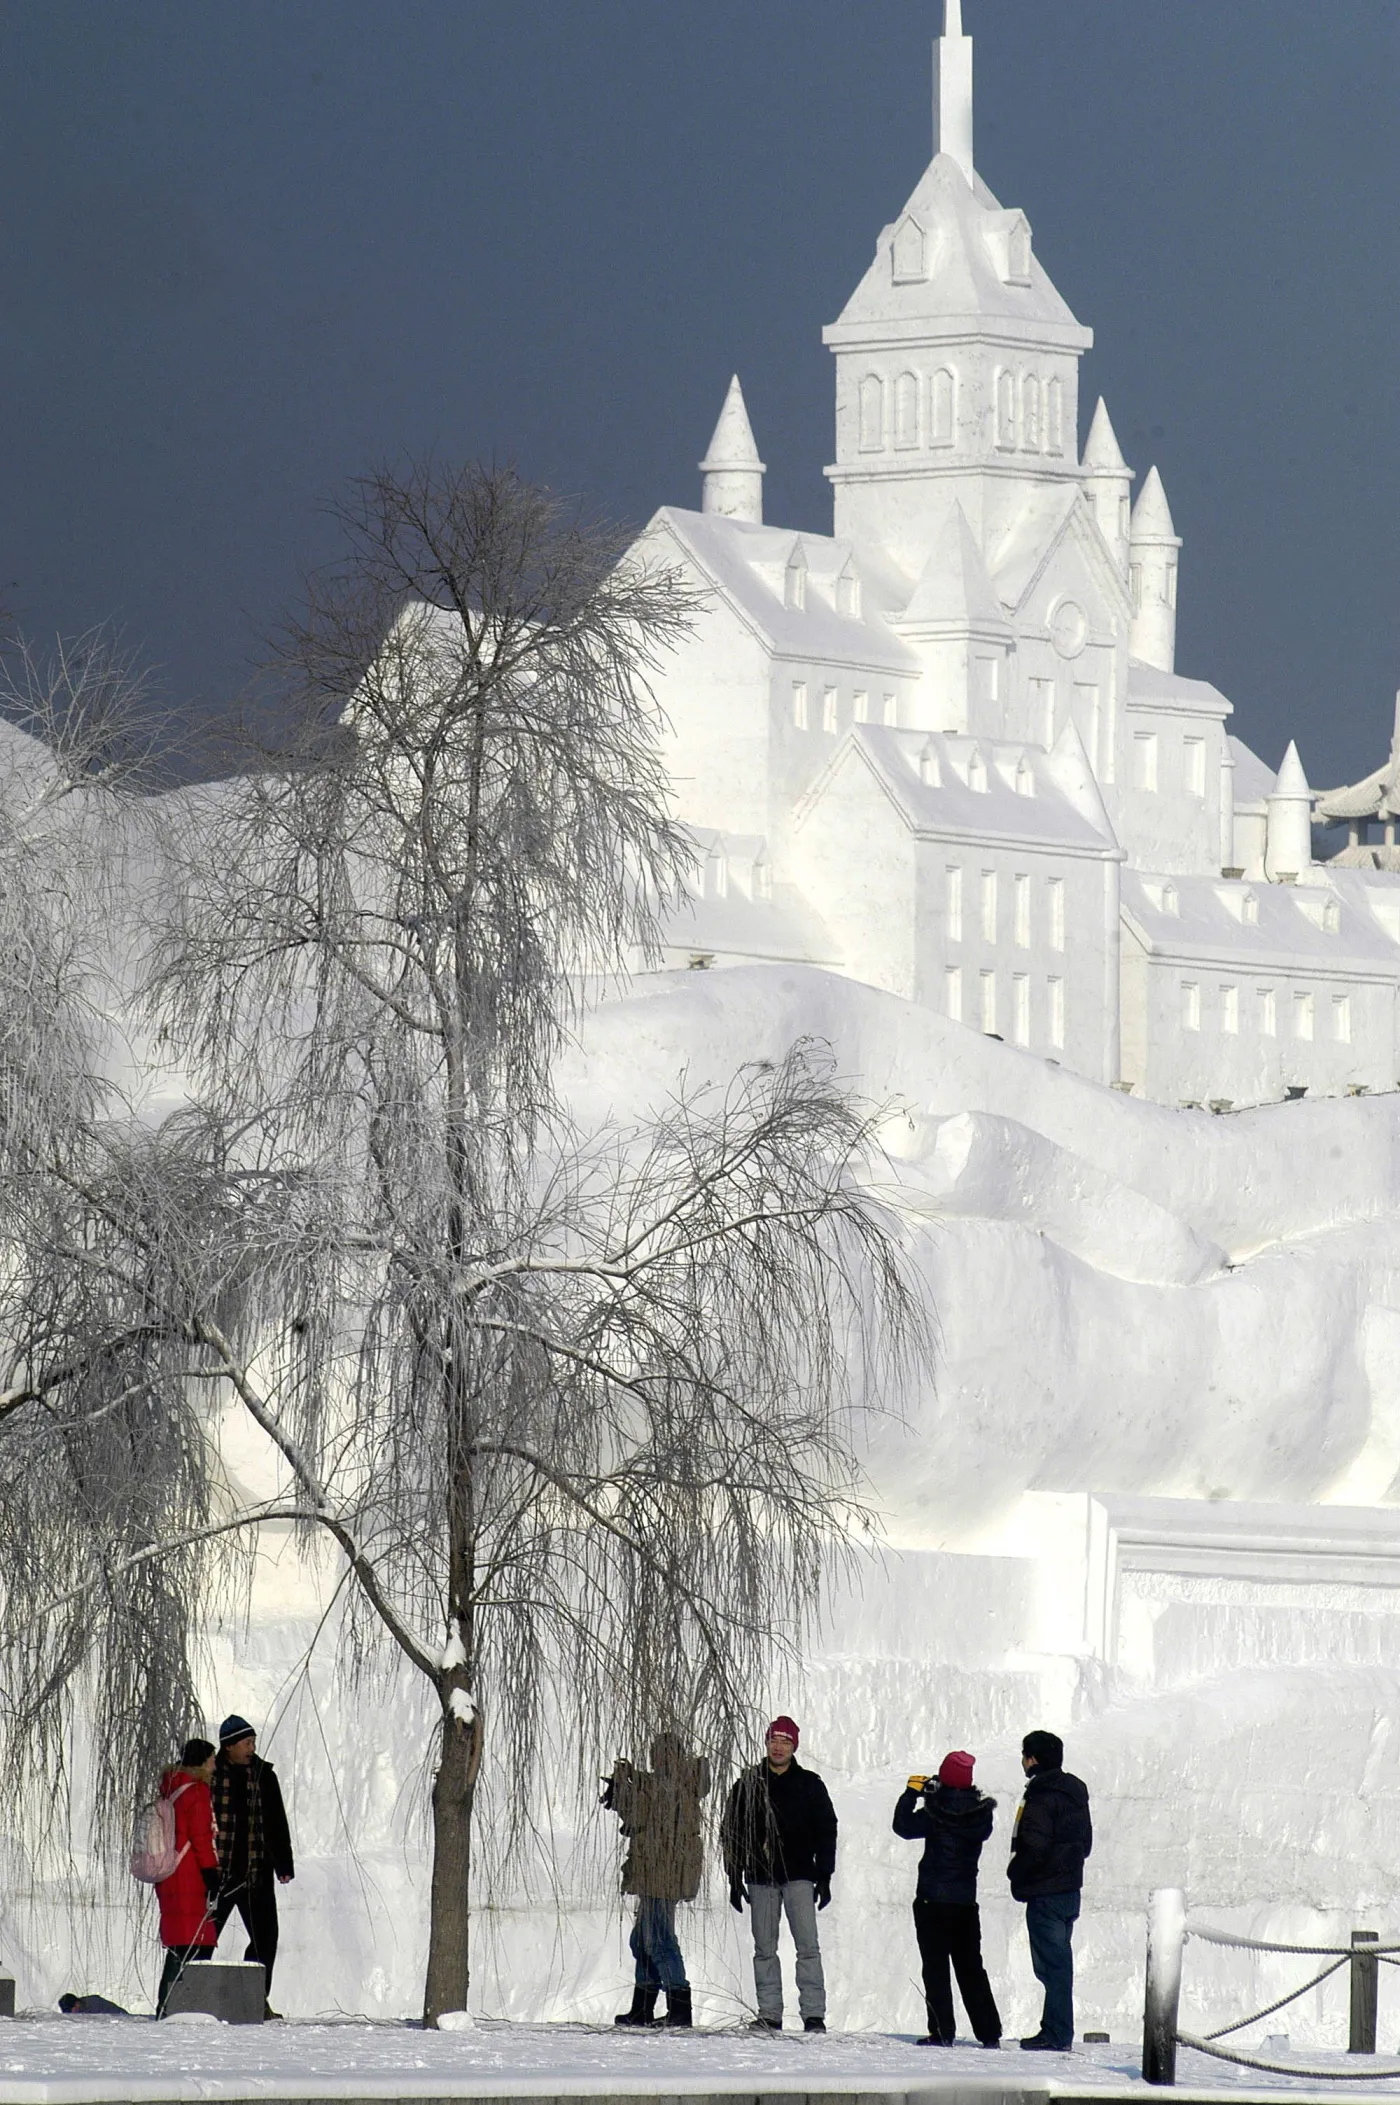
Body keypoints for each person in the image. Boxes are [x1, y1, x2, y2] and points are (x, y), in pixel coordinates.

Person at [722, 1715, 837, 2034]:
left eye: (786, 1741)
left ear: (794, 1747)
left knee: (808, 1947)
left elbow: (827, 1828)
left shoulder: (810, 1784)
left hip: (800, 1874)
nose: (778, 1747)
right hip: (760, 1876)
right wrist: (733, 1876)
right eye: (774, 1740)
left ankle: (813, 2015)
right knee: (764, 1948)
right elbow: (731, 1830)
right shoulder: (748, 1782)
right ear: (766, 1742)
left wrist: (825, 1875)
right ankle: (769, 2014)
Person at [893, 1750, 1001, 2048]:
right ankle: (989, 2032)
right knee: (971, 1968)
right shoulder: (981, 1815)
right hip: (966, 1901)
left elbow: (902, 1827)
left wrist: (912, 1794)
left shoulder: (934, 1813)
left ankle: (942, 2031)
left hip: (932, 1901)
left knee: (936, 1967)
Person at [603, 1732, 712, 2029]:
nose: (661, 1759)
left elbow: (651, 1812)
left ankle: (679, 2008)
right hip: (652, 1874)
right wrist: (623, 1788)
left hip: (667, 1875)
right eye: (657, 1754)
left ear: (679, 1757)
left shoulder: (682, 1787)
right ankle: (643, 2007)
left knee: (659, 1940)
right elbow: (640, 1818)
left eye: (668, 1753)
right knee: (642, 1940)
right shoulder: (657, 1785)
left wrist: (629, 1783)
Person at [1007, 1729, 1092, 2053]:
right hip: (1070, 1889)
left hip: (1046, 1892)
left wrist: (1016, 1873)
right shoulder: (1074, 1793)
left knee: (1052, 1967)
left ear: (1034, 1759)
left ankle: (1056, 2034)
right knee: (1059, 1965)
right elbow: (1085, 1844)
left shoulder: (1041, 1796)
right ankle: (1055, 2030)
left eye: (1025, 1755)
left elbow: (1035, 1846)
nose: (1023, 1761)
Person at [210, 1715, 295, 2018]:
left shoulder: (263, 1775)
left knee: (265, 1939)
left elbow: (276, 1822)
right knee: (204, 1939)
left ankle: (253, 2000)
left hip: (256, 1873)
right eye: (246, 1743)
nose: (252, 1748)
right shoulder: (211, 1774)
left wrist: (283, 1863)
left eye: (253, 1742)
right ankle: (190, 1997)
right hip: (218, 1876)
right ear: (229, 1746)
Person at [153, 1737, 221, 2018]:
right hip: (190, 1874)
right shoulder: (197, 1791)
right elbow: (201, 1837)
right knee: (195, 1942)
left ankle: (167, 2004)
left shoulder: (171, 1787)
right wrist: (212, 1874)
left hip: (169, 1873)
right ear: (202, 1761)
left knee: (180, 1943)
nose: (215, 1764)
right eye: (212, 1759)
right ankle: (178, 2005)